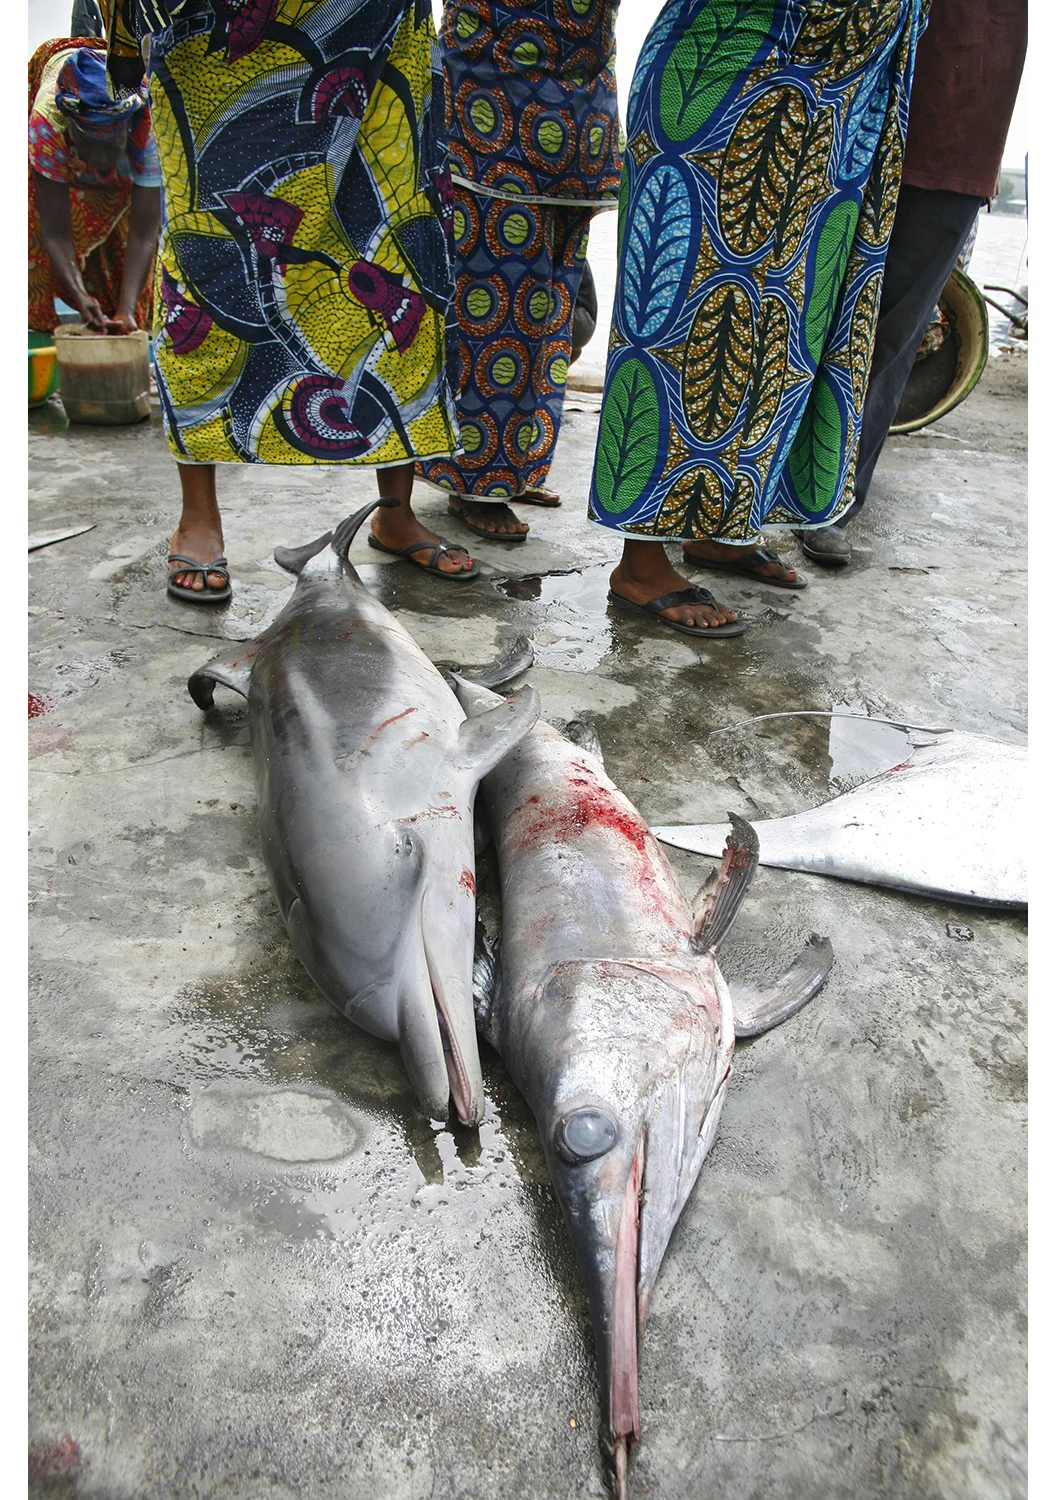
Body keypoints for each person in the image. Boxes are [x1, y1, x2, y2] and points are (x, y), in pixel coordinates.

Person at [100, 1, 472, 603]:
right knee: (213, 261)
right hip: (223, 31)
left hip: (378, 24)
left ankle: (394, 514)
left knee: (392, 254)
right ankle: (199, 517)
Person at [587, 0, 927, 638]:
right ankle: (641, 562)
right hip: (736, 67)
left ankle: (722, 529)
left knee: (793, 330)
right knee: (690, 320)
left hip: (845, 101)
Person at [800, 0, 1028, 566]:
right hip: (841, 104)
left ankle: (832, 499)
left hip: (957, 129)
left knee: (893, 330)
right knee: (796, 307)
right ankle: (743, 494)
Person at [417, 0, 621, 542]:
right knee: (488, 302)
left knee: (549, 308)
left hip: (578, 108)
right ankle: (474, 475)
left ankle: (515, 463)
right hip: (490, 93)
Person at [29, 39, 161, 337]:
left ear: (126, 131)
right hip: (63, 152)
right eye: (91, 148)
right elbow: (55, 231)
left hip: (128, 159)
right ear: (72, 133)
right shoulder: (46, 124)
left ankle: (124, 313)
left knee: (125, 246)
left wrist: (126, 310)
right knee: (30, 232)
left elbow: (144, 231)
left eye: (111, 149)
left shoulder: (149, 122)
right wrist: (80, 295)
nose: (101, 165)